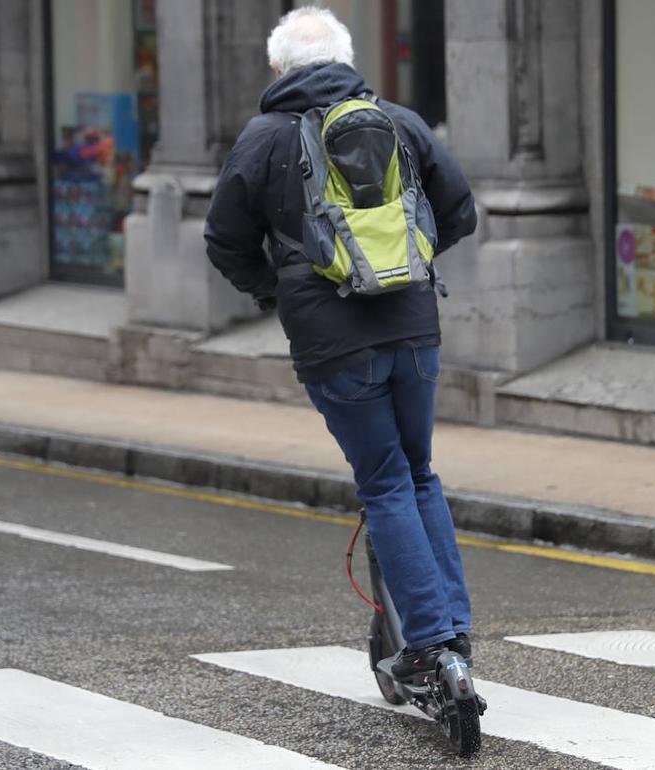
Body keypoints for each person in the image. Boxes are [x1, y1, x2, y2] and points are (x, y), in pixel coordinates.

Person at [204, 7, 478, 680]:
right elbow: (461, 211)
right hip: (413, 326)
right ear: (348, 59)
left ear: (277, 70)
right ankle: (456, 634)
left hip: (331, 340)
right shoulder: (400, 122)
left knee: (384, 483)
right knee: (419, 474)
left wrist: (276, 288)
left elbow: (224, 240)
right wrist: (406, 261)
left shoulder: (264, 138)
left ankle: (427, 646)